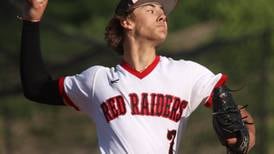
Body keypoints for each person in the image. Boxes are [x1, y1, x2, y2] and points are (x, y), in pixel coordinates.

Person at [20, 0, 255, 153]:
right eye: (151, 9)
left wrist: (244, 139)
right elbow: (35, 87)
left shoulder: (187, 74)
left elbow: (235, 117)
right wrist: (32, 19)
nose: (162, 15)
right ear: (127, 21)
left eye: (163, 12)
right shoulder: (97, 81)